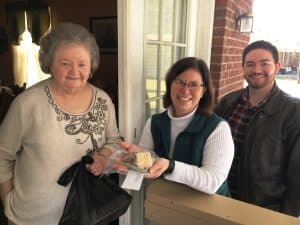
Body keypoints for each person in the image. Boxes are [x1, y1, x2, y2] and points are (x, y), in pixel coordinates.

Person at [0, 23, 121, 225]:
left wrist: (102, 157)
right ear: (50, 65)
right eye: (65, 63)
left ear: (91, 66)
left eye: (82, 64)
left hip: (86, 212)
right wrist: (8, 200)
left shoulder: (103, 101)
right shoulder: (27, 103)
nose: (75, 71)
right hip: (33, 217)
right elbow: (2, 154)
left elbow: (115, 141)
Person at [122, 57, 234, 195]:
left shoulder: (218, 128)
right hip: (168, 203)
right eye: (180, 82)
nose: (185, 90)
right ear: (170, 85)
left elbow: (213, 182)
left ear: (204, 90)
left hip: (208, 211)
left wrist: (171, 166)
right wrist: (135, 157)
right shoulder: (154, 123)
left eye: (193, 84)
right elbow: (148, 162)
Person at [215, 40, 300, 217]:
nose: (256, 70)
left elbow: (297, 173)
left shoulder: (293, 112)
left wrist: (286, 216)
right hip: (221, 197)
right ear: (243, 67)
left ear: (277, 67)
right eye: (250, 64)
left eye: (264, 63)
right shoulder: (228, 102)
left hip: (263, 209)